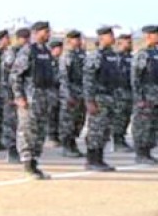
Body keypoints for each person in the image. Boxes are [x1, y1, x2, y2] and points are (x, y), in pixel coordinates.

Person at [10, 21, 59, 180]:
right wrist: (19, 97)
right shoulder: (28, 51)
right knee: (28, 131)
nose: (48, 34)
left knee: (39, 132)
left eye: (48, 31)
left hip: (44, 99)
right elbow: (16, 75)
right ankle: (27, 163)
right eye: (45, 31)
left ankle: (35, 162)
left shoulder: (46, 51)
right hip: (30, 99)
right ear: (36, 32)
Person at [81, 26, 123, 171]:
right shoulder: (95, 56)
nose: (113, 38)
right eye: (110, 35)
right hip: (99, 98)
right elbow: (88, 80)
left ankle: (99, 159)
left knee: (105, 131)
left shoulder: (113, 56)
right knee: (95, 131)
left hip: (110, 98)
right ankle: (91, 160)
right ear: (101, 38)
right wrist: (89, 100)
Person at [0, 28, 30, 163]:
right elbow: (6, 75)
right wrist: (11, 95)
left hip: (24, 93)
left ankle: (21, 149)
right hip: (11, 93)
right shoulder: (12, 53)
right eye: (24, 38)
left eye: (28, 37)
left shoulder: (29, 52)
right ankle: (11, 150)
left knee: (22, 124)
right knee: (11, 122)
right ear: (18, 38)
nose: (26, 40)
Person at [131, 25, 158, 164]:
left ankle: (147, 152)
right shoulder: (143, 54)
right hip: (145, 98)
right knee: (143, 126)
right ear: (148, 36)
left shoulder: (155, 53)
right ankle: (141, 154)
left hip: (155, 98)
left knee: (152, 127)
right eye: (156, 34)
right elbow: (135, 78)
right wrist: (139, 99)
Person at [58, 31, 87, 158]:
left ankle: (73, 143)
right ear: (69, 41)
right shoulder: (67, 56)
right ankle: (66, 145)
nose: (79, 41)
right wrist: (67, 95)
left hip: (82, 93)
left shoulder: (82, 55)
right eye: (76, 39)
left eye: (79, 39)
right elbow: (63, 77)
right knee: (68, 121)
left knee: (79, 120)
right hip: (70, 94)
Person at [112, 31, 135, 152]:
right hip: (118, 93)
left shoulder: (131, 58)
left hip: (129, 92)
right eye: (128, 42)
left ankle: (121, 139)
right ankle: (117, 141)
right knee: (119, 118)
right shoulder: (116, 57)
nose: (130, 43)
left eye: (131, 41)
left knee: (126, 118)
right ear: (120, 42)